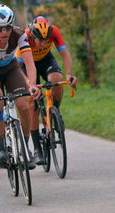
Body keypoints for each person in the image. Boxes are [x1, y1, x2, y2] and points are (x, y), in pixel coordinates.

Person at [0, 4, 41, 170]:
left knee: (24, 105)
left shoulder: (19, 34)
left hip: (11, 69)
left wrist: (32, 84)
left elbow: (29, 64)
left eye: (7, 28)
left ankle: (25, 148)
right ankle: (0, 148)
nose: (4, 33)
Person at [15, 16, 77, 165]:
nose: (42, 44)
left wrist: (69, 74)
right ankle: (37, 149)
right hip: (26, 65)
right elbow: (17, 67)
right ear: (33, 35)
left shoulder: (54, 31)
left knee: (57, 79)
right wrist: (30, 83)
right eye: (39, 40)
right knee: (33, 105)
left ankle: (55, 111)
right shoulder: (25, 36)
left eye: (46, 40)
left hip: (45, 60)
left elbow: (64, 53)